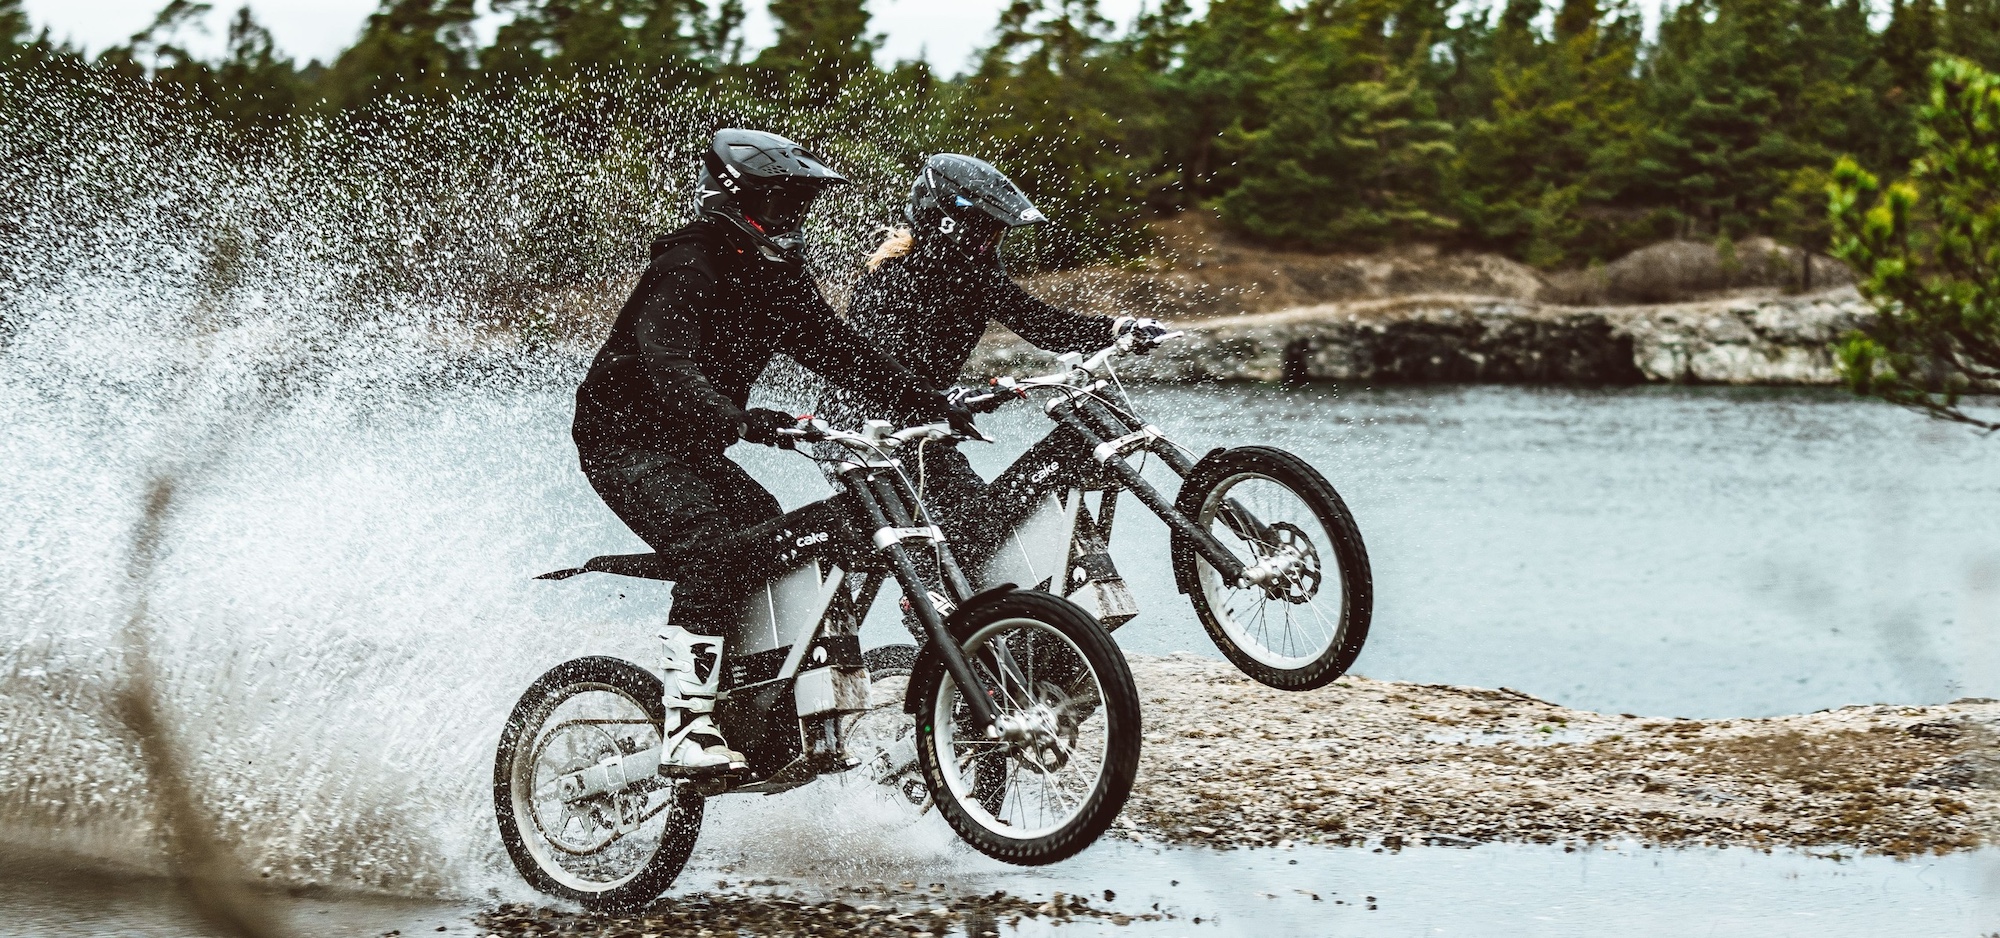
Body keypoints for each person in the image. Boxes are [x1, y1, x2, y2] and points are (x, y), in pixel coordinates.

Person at [572, 129, 974, 776]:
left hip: (693, 445)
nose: (796, 219)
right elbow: (666, 364)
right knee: (707, 546)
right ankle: (686, 725)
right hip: (624, 442)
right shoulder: (688, 263)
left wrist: (926, 400)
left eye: (801, 207)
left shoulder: (779, 274)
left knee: (766, 537)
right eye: (785, 204)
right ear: (740, 198)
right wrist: (745, 420)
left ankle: (752, 701)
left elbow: (837, 350)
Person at [815, 153, 1171, 582]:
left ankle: (1009, 627)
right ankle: (941, 622)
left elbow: (1043, 325)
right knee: (957, 541)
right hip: (866, 435)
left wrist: (1118, 328)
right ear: (947, 224)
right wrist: (939, 398)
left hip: (927, 423)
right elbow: (875, 369)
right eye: (985, 233)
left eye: (997, 236)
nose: (991, 246)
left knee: (983, 528)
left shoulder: (978, 274)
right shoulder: (893, 279)